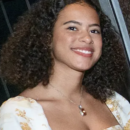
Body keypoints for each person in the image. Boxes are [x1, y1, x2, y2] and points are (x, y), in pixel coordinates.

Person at [0, 0, 130, 130]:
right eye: (72, 28)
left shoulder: (114, 102)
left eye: (94, 30)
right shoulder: (18, 113)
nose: (87, 38)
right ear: (47, 37)